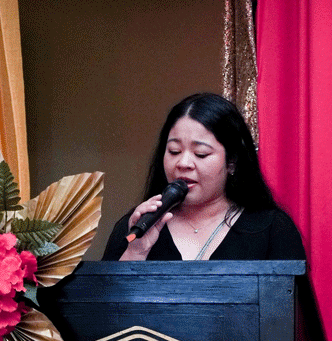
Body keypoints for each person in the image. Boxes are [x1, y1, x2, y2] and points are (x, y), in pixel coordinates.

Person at [102, 93, 305, 261]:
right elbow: (104, 297)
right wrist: (136, 251)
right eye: (174, 151)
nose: (183, 163)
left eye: (201, 154)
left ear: (232, 162)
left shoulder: (273, 229)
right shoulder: (134, 229)